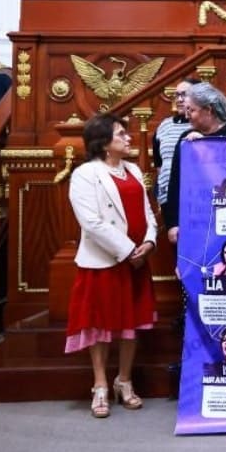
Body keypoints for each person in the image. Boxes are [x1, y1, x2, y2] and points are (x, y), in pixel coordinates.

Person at [64, 113, 157, 418]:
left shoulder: (132, 168)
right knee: (100, 325)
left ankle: (125, 380)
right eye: (121, 134)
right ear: (104, 143)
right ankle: (100, 385)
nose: (128, 138)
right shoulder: (85, 174)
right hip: (106, 259)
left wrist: (149, 242)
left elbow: (148, 213)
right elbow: (90, 222)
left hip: (137, 259)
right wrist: (129, 250)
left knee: (131, 324)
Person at [162, 82, 226, 242]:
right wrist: (173, 223)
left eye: (191, 110)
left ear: (208, 110)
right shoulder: (186, 138)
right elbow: (175, 183)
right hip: (195, 220)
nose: (186, 115)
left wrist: (206, 145)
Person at [152, 79, 192, 213]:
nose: (179, 99)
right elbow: (159, 163)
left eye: (185, 95)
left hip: (194, 193)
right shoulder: (164, 125)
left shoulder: (202, 124)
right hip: (167, 196)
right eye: (177, 95)